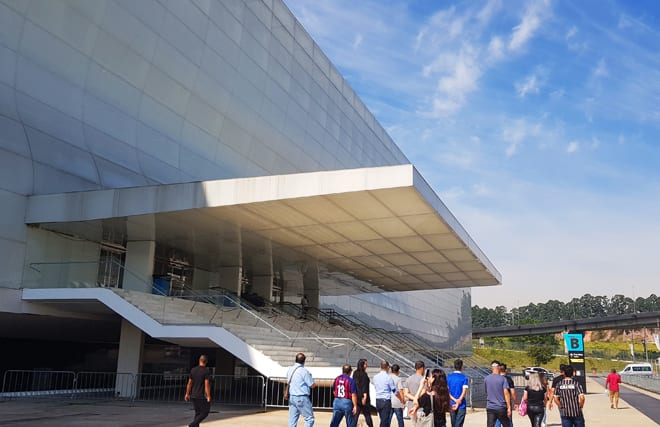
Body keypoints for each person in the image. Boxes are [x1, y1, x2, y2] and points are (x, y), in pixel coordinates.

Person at [287, 352, 317, 427]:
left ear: (295, 360)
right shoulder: (304, 371)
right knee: (309, 419)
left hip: (292, 396)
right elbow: (312, 385)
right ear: (304, 361)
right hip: (301, 396)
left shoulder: (290, 369)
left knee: (292, 420)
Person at [184, 354, 211, 427]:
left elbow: (189, 383)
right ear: (206, 362)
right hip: (201, 395)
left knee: (198, 413)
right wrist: (208, 396)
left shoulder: (193, 370)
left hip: (193, 395)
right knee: (205, 412)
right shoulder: (206, 371)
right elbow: (206, 385)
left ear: (199, 360)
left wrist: (187, 394)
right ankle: (191, 425)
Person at [484, 360, 511, 427]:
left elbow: (486, 391)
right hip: (501, 406)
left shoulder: (486, 379)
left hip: (490, 407)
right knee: (506, 424)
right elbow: (506, 393)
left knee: (490, 425)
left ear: (492, 368)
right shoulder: (503, 379)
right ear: (498, 367)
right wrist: (509, 407)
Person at [373, 360, 397, 427]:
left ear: (380, 367)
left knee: (383, 419)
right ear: (388, 367)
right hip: (386, 400)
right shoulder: (388, 377)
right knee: (385, 420)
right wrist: (401, 398)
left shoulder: (375, 377)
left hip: (378, 400)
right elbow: (394, 390)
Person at [447, 359, 469, 427]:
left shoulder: (449, 377)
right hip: (461, 404)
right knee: (459, 424)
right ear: (462, 366)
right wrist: (459, 400)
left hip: (451, 403)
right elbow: (464, 391)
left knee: (453, 424)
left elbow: (447, 391)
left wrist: (454, 400)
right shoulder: (464, 378)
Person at [353, 358, 374, 427]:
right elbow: (364, 386)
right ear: (362, 365)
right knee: (367, 414)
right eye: (365, 364)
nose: (366, 365)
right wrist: (364, 396)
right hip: (363, 397)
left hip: (357, 396)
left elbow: (355, 385)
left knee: (356, 415)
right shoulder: (364, 375)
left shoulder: (355, 373)